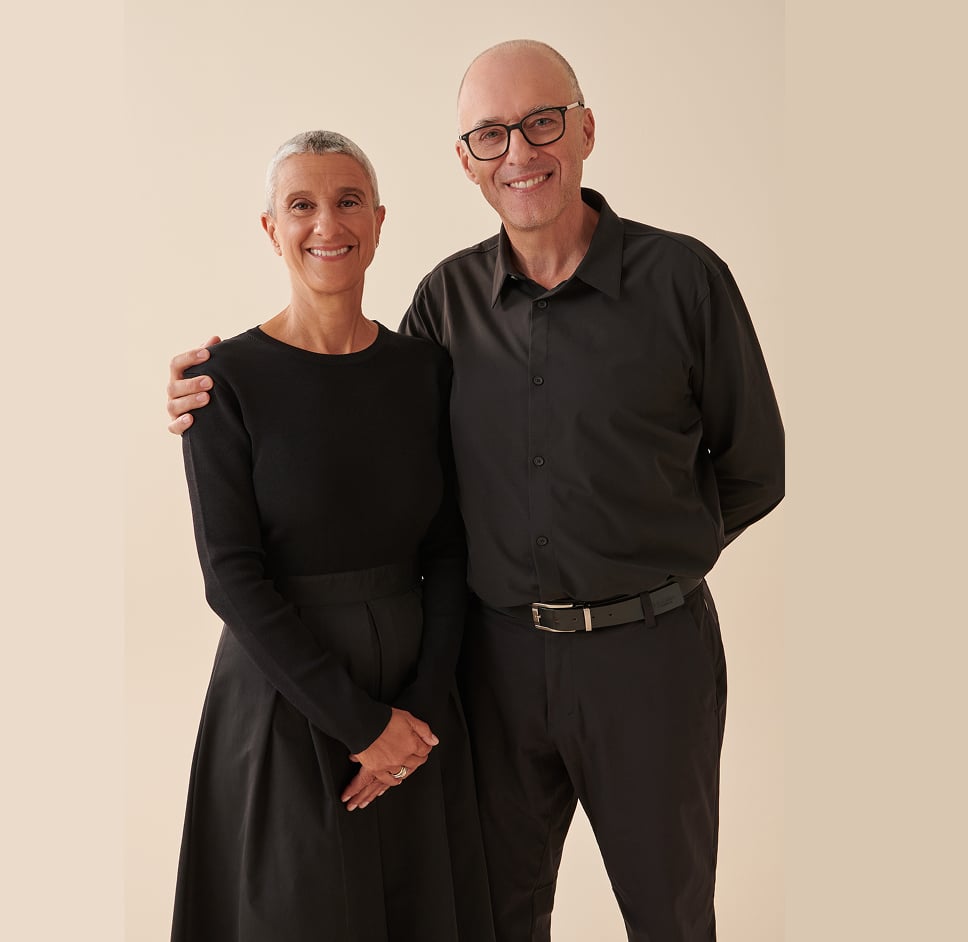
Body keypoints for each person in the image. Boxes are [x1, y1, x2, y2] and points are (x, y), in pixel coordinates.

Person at [167, 41, 784, 942]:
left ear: (584, 128)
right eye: (490, 135)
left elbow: (754, 465)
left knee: (670, 915)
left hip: (650, 659)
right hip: (491, 667)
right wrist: (199, 391)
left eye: (541, 123)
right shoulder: (445, 305)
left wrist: (643, 555)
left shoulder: (684, 280)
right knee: (491, 914)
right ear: (465, 160)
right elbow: (371, 430)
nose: (520, 153)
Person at [168, 130, 494, 942]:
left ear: (380, 221)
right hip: (285, 703)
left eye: (348, 201)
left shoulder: (426, 370)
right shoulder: (222, 380)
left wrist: (413, 719)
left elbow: (450, 551)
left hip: (417, 707)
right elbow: (230, 578)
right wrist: (361, 725)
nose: (327, 224)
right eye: (301, 205)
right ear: (271, 229)